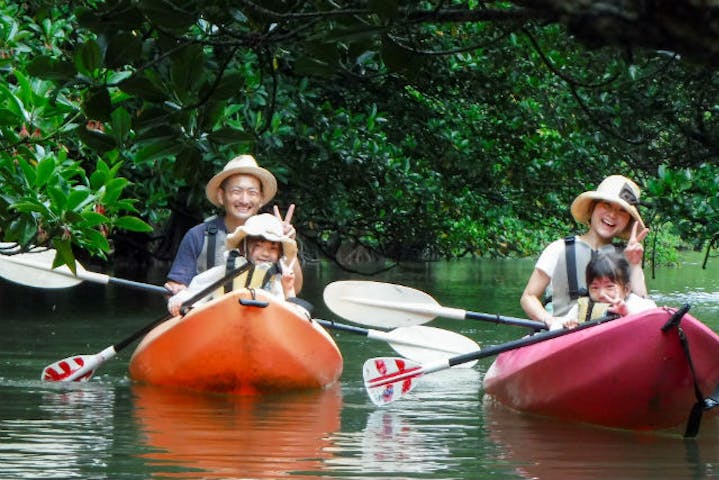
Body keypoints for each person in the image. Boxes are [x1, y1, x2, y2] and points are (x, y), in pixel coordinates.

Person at [520, 175, 651, 328]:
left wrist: (635, 264)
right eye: (607, 205)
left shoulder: (628, 256)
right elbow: (528, 297)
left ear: (628, 221)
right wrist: (550, 320)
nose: (612, 215)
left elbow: (643, 307)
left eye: (622, 211)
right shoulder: (559, 249)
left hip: (609, 335)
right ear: (592, 208)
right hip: (559, 335)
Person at [163, 154, 303, 295]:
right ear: (221, 196)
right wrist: (178, 293)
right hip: (209, 312)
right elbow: (175, 287)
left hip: (261, 312)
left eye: (252, 193)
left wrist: (288, 243)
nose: (244, 200)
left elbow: (293, 291)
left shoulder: (275, 237)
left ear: (261, 199)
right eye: (236, 191)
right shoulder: (198, 235)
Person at [167, 213, 298, 316]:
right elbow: (198, 287)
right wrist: (180, 300)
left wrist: (289, 289)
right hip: (220, 320)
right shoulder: (224, 271)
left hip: (260, 325)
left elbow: (288, 309)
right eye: (258, 246)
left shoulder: (274, 280)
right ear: (244, 248)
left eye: (273, 249)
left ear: (280, 253)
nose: (265, 253)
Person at [548, 249, 657, 330]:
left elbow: (653, 323)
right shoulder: (582, 307)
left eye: (609, 286)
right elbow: (555, 327)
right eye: (594, 287)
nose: (601, 294)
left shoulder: (636, 304)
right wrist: (567, 326)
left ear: (627, 289)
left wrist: (627, 315)